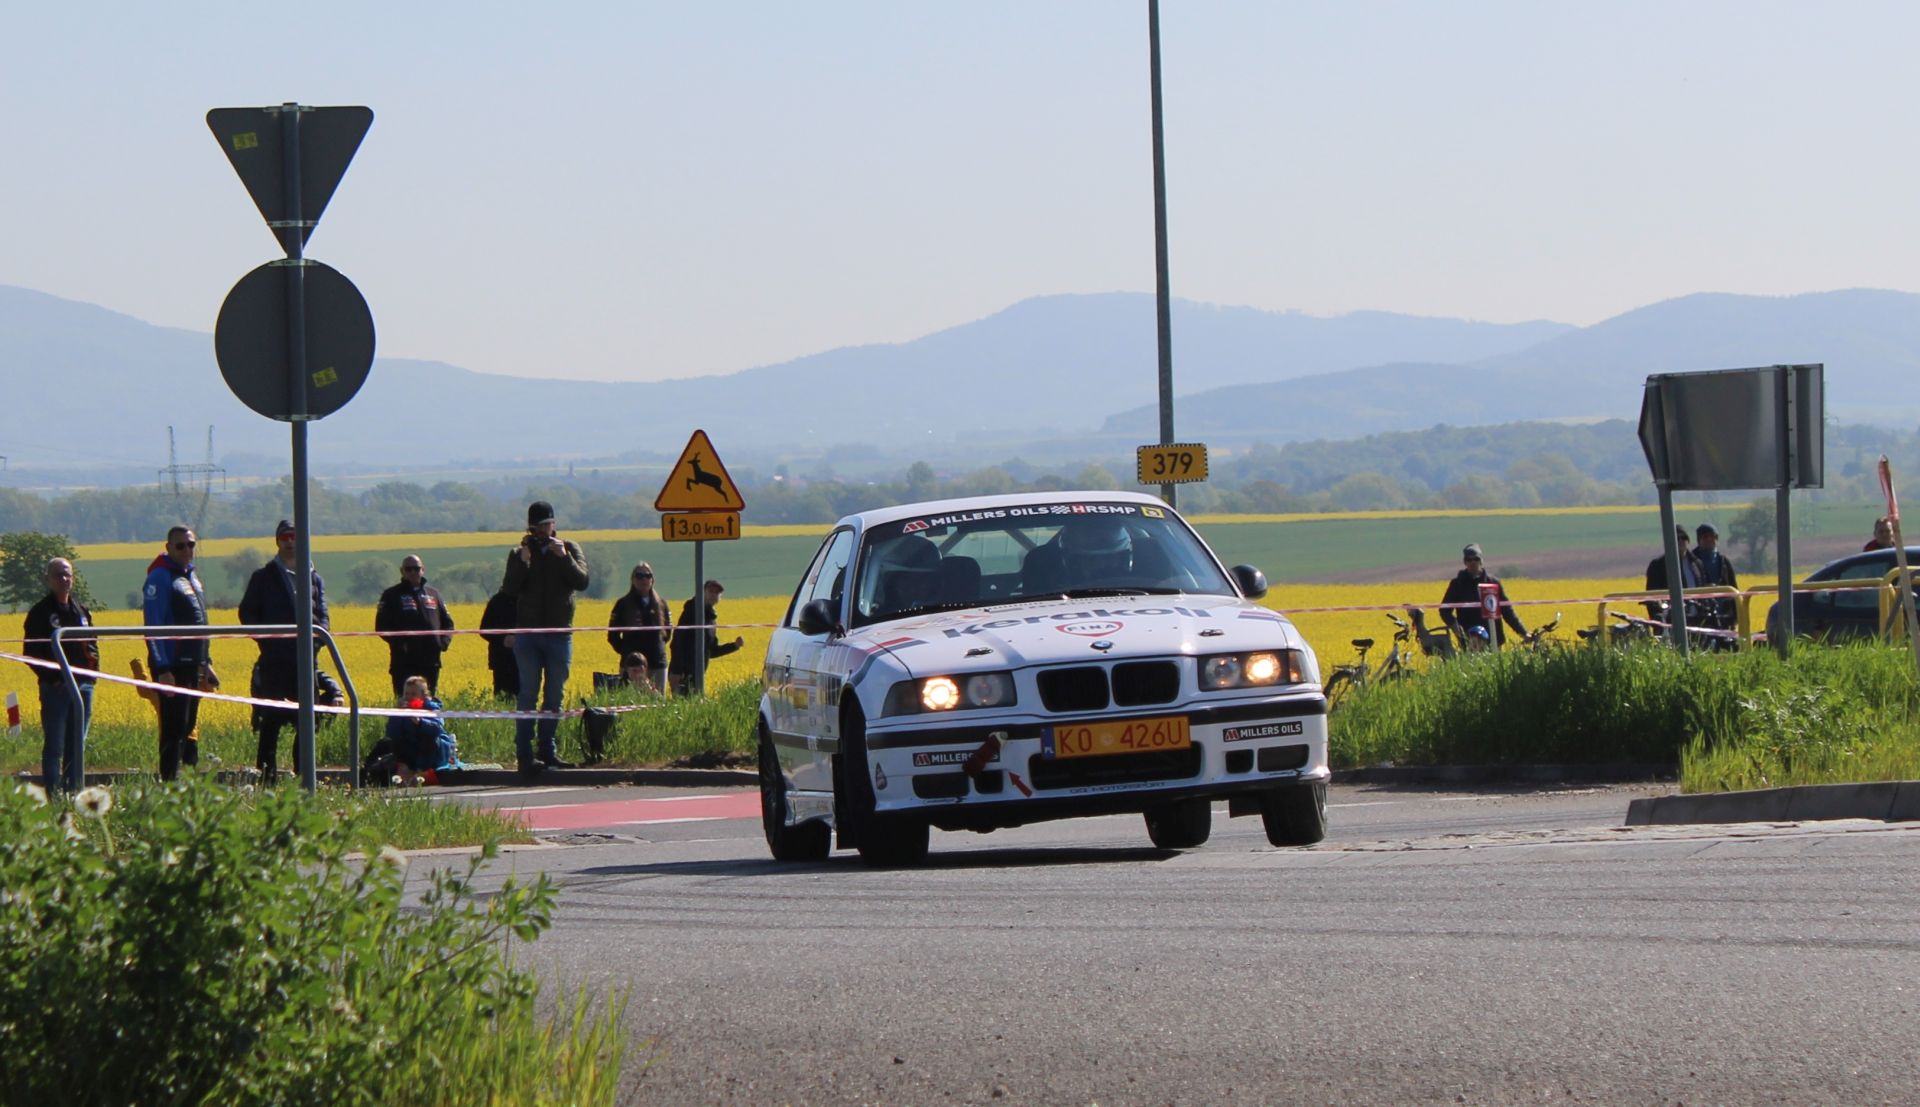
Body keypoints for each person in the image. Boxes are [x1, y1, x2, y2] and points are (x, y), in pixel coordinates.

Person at [501, 500, 589, 775]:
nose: (544, 531)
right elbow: (509, 590)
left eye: (548, 525)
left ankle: (548, 749)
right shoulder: (519, 554)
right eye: (538, 527)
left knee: (555, 693)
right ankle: (524, 753)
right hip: (528, 634)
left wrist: (564, 558)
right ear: (530, 528)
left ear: (555, 524)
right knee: (528, 692)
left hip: (559, 633)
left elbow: (582, 582)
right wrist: (523, 564)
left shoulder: (570, 548)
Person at [238, 519, 330, 780]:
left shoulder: (314, 578)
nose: (290, 542)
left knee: (307, 723)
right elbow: (247, 613)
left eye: (294, 537)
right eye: (285, 538)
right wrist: (269, 641)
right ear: (277, 541)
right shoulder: (263, 577)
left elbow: (322, 615)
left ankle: (304, 779)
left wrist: (316, 642)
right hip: (275, 663)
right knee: (271, 723)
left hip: (305, 662)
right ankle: (267, 780)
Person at [144, 525, 214, 781]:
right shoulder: (160, 578)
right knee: (173, 730)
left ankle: (183, 783)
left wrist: (206, 662)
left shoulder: (191, 577)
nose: (187, 550)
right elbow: (152, 626)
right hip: (172, 665)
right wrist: (163, 669)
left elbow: (200, 624)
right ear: (168, 548)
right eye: (181, 545)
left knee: (187, 728)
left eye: (191, 544)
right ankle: (169, 783)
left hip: (193, 664)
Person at [23, 557, 97, 793]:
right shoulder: (40, 613)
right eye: (58, 575)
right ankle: (54, 795)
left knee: (78, 744)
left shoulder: (81, 611)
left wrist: (91, 677)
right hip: (55, 689)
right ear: (48, 580)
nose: (64, 579)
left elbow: (93, 645)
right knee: (55, 745)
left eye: (68, 575)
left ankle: (74, 793)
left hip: (83, 687)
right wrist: (54, 679)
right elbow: (31, 653)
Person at [375, 555, 455, 698]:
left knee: (429, 701)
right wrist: (401, 645)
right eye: (408, 569)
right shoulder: (391, 595)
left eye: (416, 569)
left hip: (431, 660)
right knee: (404, 701)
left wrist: (442, 643)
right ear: (402, 571)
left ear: (423, 570)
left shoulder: (434, 594)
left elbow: (448, 623)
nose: (413, 572)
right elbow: (381, 627)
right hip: (404, 661)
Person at [1439, 543, 1527, 649]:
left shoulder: (1493, 582)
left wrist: (1523, 633)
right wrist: (1456, 628)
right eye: (1469, 559)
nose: (1472, 562)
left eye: (1475, 559)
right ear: (1465, 562)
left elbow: (1507, 611)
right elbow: (1444, 610)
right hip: (1469, 641)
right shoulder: (1458, 584)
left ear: (1481, 561)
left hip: (1494, 640)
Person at [669, 579, 745, 696]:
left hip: (697, 674)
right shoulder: (691, 611)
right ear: (702, 592)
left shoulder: (711, 619)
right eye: (711, 591)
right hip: (683, 674)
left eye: (717, 593)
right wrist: (677, 670)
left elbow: (711, 651)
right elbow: (678, 642)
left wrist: (734, 646)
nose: (714, 595)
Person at [384, 675, 461, 785]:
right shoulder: (402, 709)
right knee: (391, 742)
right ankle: (404, 771)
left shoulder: (432, 708)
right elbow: (391, 733)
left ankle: (421, 773)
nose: (409, 697)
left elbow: (437, 728)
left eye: (413, 694)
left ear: (423, 696)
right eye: (407, 694)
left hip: (431, 750)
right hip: (410, 748)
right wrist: (396, 716)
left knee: (429, 738)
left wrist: (420, 722)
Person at [607, 562, 671, 690]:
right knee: (630, 701)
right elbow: (612, 635)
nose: (644, 579)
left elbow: (667, 633)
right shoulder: (623, 604)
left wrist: (658, 647)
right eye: (639, 576)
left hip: (657, 662)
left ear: (652, 579)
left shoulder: (662, 604)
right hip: (632, 665)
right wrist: (627, 651)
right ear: (633, 580)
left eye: (648, 575)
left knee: (658, 702)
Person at [1689, 522, 1739, 637]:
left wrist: (1736, 616)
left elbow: (1734, 588)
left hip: (1724, 613)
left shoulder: (1723, 561)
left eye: (1713, 537)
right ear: (1699, 539)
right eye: (1706, 537)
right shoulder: (1692, 561)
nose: (1710, 540)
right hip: (1700, 614)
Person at [1643, 524, 1695, 619]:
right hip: (1671, 621)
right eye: (1676, 538)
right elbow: (1652, 597)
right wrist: (1659, 621)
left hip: (1698, 620)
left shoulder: (1696, 564)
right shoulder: (1657, 566)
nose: (1680, 541)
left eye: (1683, 538)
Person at [479, 588, 520, 698]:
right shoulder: (497, 601)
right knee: (502, 695)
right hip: (501, 659)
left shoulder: (529, 600)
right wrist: (502, 639)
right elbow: (484, 629)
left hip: (526, 659)